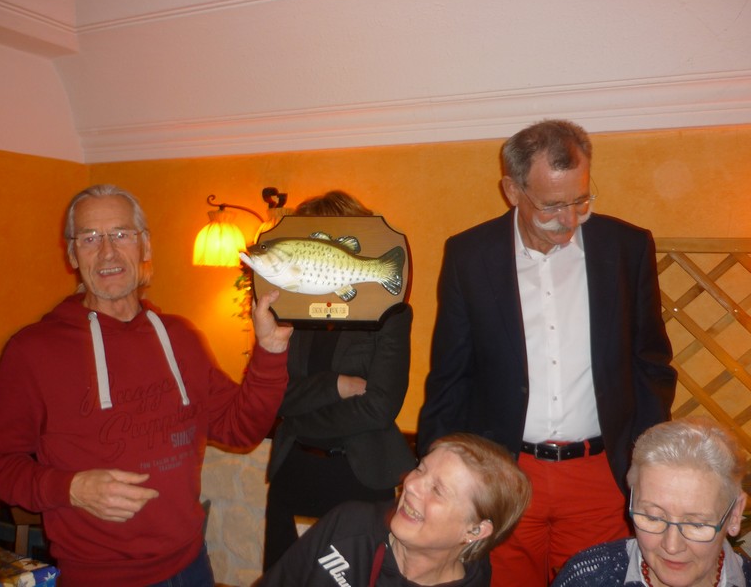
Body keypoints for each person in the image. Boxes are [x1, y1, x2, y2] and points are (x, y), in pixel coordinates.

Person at [0, 184, 293, 586]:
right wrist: (70, 488)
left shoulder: (181, 337)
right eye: (90, 238)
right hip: (99, 577)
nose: (107, 252)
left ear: (145, 246)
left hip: (192, 566)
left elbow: (241, 430)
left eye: (121, 234)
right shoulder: (32, 351)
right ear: (72, 254)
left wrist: (270, 350)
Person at [417, 119, 678, 586]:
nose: (570, 219)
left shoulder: (626, 247)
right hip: (503, 474)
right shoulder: (469, 255)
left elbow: (651, 363)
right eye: (552, 205)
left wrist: (646, 458)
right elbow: (450, 377)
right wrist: (432, 474)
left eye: (581, 200)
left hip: (601, 475)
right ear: (512, 191)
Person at [262, 190, 416, 570]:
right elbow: (273, 394)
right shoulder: (287, 310)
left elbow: (380, 406)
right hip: (294, 470)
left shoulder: (389, 313)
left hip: (359, 476)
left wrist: (301, 420)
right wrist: (336, 385)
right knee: (285, 576)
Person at [258, 432, 531, 586]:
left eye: (437, 490)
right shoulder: (349, 526)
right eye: (420, 468)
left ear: (475, 530)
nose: (410, 484)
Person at [553, 416, 751, 586]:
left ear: (734, 515)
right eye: (653, 518)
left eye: (696, 524)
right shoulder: (587, 578)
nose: (671, 546)